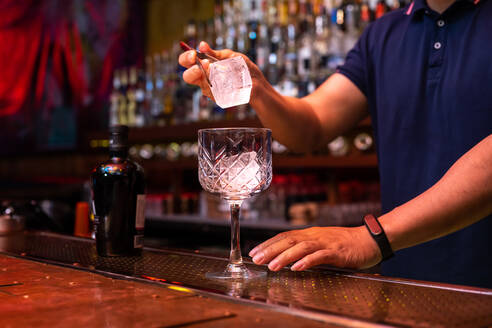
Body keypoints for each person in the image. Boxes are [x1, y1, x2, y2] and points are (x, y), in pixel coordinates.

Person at [179, 0, 492, 288]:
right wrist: (258, 89)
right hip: (406, 281)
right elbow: (310, 126)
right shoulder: (384, 33)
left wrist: (372, 238)